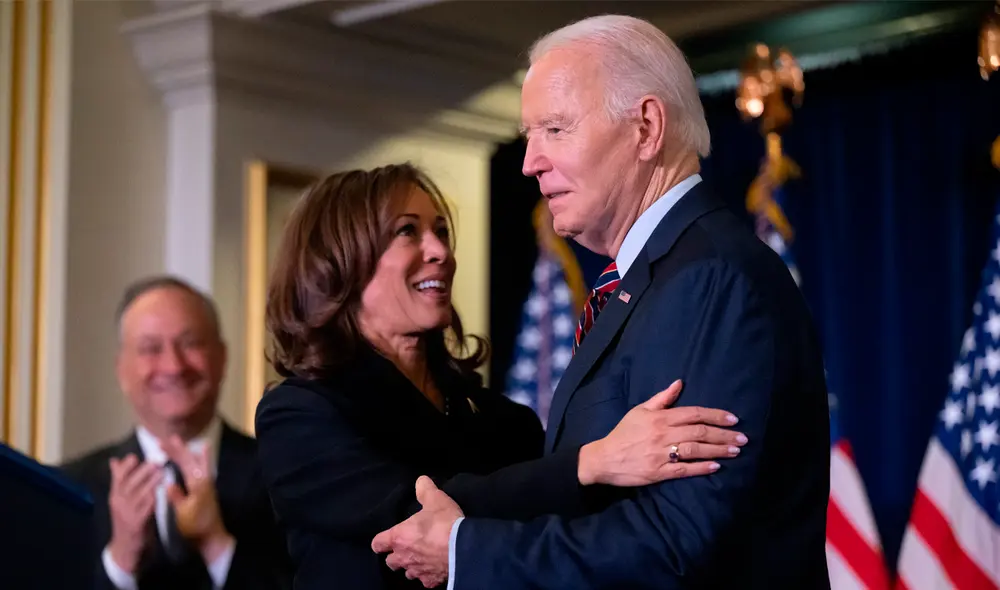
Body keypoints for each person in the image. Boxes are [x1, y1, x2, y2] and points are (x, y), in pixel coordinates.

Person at [371, 14, 832, 590]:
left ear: (645, 128)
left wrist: (470, 553)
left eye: (555, 129)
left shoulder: (707, 278)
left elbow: (675, 543)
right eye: (529, 134)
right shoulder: (655, 276)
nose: (529, 161)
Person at [253, 164, 748, 589]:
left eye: (441, 231)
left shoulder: (503, 422)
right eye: (408, 231)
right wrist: (591, 462)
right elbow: (418, 517)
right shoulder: (299, 415)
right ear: (341, 262)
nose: (440, 252)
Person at [61, 276, 292, 590]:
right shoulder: (71, 490)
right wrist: (121, 560)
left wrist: (217, 544)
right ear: (121, 369)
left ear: (222, 358)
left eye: (190, 343)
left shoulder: (284, 475)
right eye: (150, 348)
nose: (173, 366)